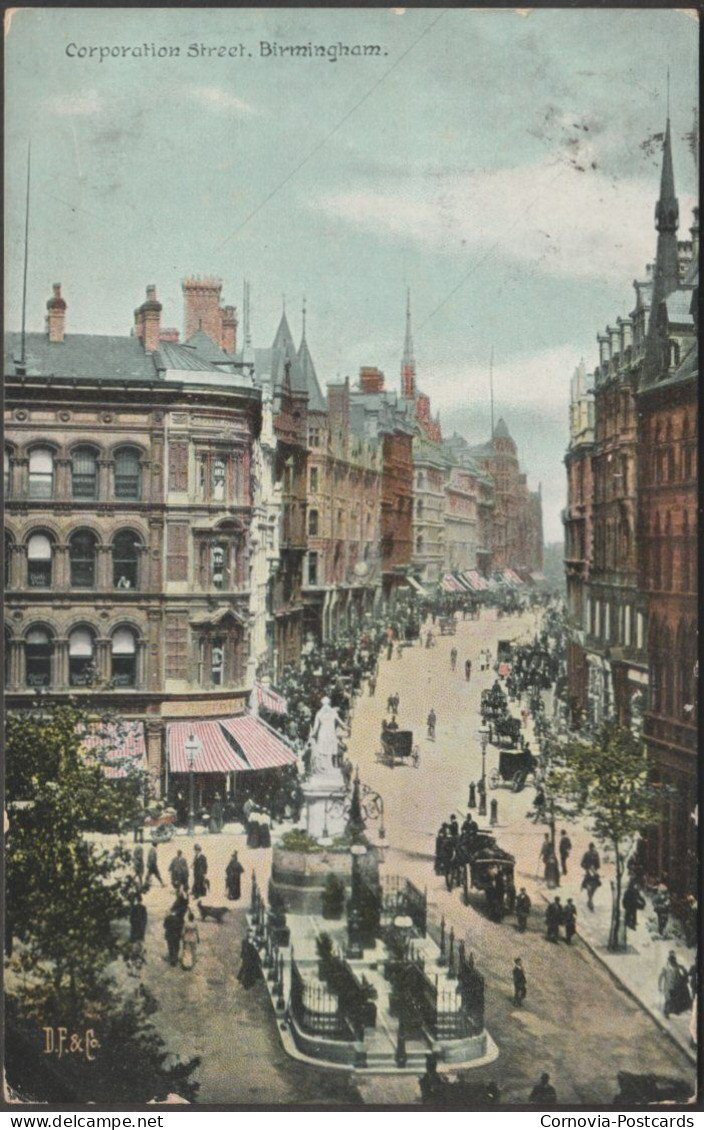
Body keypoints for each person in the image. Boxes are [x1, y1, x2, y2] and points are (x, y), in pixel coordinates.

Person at [659, 951, 692, 1019]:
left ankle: (673, 1011)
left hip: (675, 986)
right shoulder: (666, 968)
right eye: (672, 960)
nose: (673, 962)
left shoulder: (677, 967)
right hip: (668, 986)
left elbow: (682, 974)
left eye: (673, 960)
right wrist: (659, 986)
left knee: (673, 999)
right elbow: (661, 977)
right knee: (668, 999)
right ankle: (666, 1012)